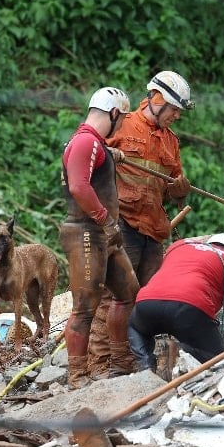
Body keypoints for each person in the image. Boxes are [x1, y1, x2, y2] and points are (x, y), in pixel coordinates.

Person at [88, 71, 193, 379]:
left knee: (148, 298)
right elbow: (90, 155)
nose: (175, 116)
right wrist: (110, 156)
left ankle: (136, 361)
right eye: (174, 109)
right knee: (113, 297)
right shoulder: (122, 124)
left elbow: (173, 189)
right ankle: (100, 367)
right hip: (123, 227)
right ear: (156, 99)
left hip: (154, 230)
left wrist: (180, 189)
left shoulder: (171, 141)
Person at [60, 87, 140, 388]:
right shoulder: (84, 142)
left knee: (129, 291)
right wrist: (106, 221)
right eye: (121, 119)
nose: (121, 126)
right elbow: (79, 187)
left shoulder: (94, 144)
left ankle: (120, 362)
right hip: (87, 232)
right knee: (84, 306)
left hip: (103, 234)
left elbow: (92, 165)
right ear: (115, 113)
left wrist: (111, 154)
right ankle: (78, 376)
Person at [128, 234, 224, 371]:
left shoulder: (179, 245)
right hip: (190, 309)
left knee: (137, 329)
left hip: (146, 302)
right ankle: (181, 353)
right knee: (220, 364)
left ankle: (146, 366)